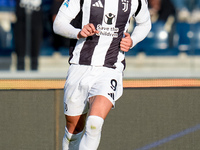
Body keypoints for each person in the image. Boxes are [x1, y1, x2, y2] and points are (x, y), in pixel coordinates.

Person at [53, 0, 151, 149]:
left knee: (94, 123)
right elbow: (58, 23)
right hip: (79, 66)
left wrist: (133, 40)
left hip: (110, 67)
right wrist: (78, 32)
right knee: (74, 128)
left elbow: (145, 23)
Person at [14, 0, 43, 70]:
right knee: (20, 42)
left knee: (35, 42)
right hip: (21, 12)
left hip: (36, 12)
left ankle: (34, 66)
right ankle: (20, 66)